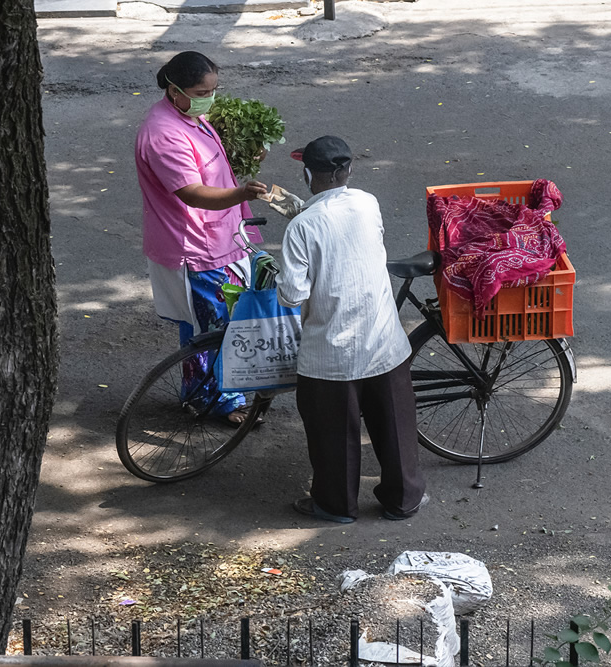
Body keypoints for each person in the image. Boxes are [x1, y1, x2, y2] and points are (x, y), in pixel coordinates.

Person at [276, 135, 428, 523]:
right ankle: (404, 499)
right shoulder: (367, 203)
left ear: (308, 174)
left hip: (332, 352)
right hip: (384, 342)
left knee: (332, 434)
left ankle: (335, 503)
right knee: (394, 425)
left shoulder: (301, 227)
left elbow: (293, 295)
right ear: (349, 171)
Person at [135, 51, 267, 424]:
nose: (208, 97)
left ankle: (207, 391)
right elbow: (191, 192)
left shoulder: (190, 115)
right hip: (196, 247)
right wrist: (242, 193)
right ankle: (215, 399)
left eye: (213, 90)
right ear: (174, 90)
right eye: (200, 91)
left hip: (221, 237)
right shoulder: (163, 134)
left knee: (214, 323)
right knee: (211, 327)